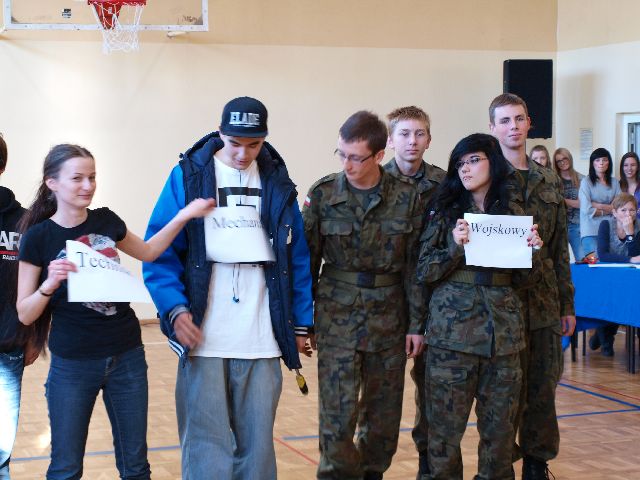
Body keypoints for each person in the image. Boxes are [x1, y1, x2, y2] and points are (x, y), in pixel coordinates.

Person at [16, 144, 214, 480]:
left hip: (127, 355)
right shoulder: (38, 237)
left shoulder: (107, 220)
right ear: (52, 183)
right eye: (77, 178)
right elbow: (25, 313)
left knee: (136, 468)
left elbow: (149, 252)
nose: (88, 186)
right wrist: (49, 284)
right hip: (73, 364)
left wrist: (183, 215)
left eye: (92, 177)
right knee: (65, 469)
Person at [143, 96, 314, 480]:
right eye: (234, 142)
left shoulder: (278, 183)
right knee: (206, 450)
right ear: (220, 132)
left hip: (263, 338)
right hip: (205, 337)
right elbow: (160, 252)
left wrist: (302, 322)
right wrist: (175, 309)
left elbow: (297, 258)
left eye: (253, 144)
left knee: (258, 452)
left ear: (264, 139)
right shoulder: (188, 176)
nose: (242, 153)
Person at [302, 111, 426, 480]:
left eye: (356, 157)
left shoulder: (406, 197)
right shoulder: (323, 194)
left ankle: (372, 473)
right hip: (336, 319)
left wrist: (416, 324)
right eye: (341, 154)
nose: (347, 164)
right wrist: (303, 322)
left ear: (379, 155)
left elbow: (415, 268)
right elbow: (305, 263)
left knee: (384, 417)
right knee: (336, 415)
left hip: (390, 319)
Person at [417, 133, 542, 480]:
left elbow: (527, 281)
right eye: (460, 163)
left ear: (493, 162)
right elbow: (424, 270)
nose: (466, 169)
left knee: (500, 436)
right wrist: (454, 245)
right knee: (444, 433)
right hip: (452, 338)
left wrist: (534, 251)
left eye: (474, 160)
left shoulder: (512, 211)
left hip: (503, 339)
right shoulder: (444, 210)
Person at [489, 93, 576, 480]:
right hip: (499, 307)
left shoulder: (548, 180)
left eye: (519, 119)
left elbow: (559, 250)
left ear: (529, 123)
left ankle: (537, 465)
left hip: (543, 306)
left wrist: (567, 305)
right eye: (505, 121)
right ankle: (500, 465)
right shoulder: (484, 178)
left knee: (542, 389)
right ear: (493, 128)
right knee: (502, 394)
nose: (513, 127)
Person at [383, 105, 445, 478]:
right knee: (381, 398)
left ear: (429, 139)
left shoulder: (445, 184)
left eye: (420, 133)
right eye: (404, 134)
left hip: (434, 303)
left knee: (432, 391)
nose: (412, 141)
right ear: (390, 141)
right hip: (386, 304)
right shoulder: (375, 182)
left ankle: (428, 464)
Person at [0, 134, 34, 480]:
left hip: (8, 349)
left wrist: (36, 336)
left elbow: (39, 283)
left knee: (0, 453)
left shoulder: (25, 223)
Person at [590, 193, 640, 356]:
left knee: (628, 297)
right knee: (610, 298)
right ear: (615, 212)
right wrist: (630, 259)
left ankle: (603, 335)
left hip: (627, 275)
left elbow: (637, 255)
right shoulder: (606, 224)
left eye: (632, 210)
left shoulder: (638, 226)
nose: (628, 214)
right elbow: (603, 255)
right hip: (606, 273)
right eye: (623, 210)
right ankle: (605, 336)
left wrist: (630, 233)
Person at [579, 147, 621, 256]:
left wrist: (597, 205)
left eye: (604, 160)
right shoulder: (586, 182)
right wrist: (609, 209)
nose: (601, 163)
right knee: (596, 263)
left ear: (609, 163)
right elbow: (586, 209)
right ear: (592, 163)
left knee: (611, 264)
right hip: (590, 231)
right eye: (597, 160)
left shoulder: (615, 182)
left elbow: (618, 207)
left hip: (610, 230)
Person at [553, 148, 585, 261]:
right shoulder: (554, 180)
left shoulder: (582, 179)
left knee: (582, 259)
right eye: (559, 161)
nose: (562, 162)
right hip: (558, 226)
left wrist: (561, 199)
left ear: (570, 158)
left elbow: (582, 204)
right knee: (559, 262)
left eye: (565, 158)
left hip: (577, 226)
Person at [618, 151, 640, 218]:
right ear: (622, 167)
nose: (629, 168)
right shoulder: (617, 186)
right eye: (626, 165)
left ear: (638, 167)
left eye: (633, 165)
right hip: (622, 223)